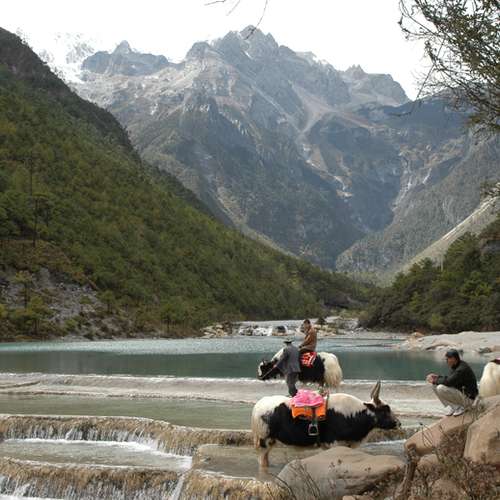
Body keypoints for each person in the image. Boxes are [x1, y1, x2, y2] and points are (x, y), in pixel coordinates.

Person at [426, 349, 478, 416]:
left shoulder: (462, 369)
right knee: (434, 386)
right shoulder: (456, 365)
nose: (446, 361)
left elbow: (449, 382)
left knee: (440, 388)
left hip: (469, 399)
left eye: (447, 359)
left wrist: (434, 380)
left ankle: (460, 408)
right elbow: (450, 378)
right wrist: (438, 377)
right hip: (462, 394)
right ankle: (454, 407)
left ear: (453, 359)